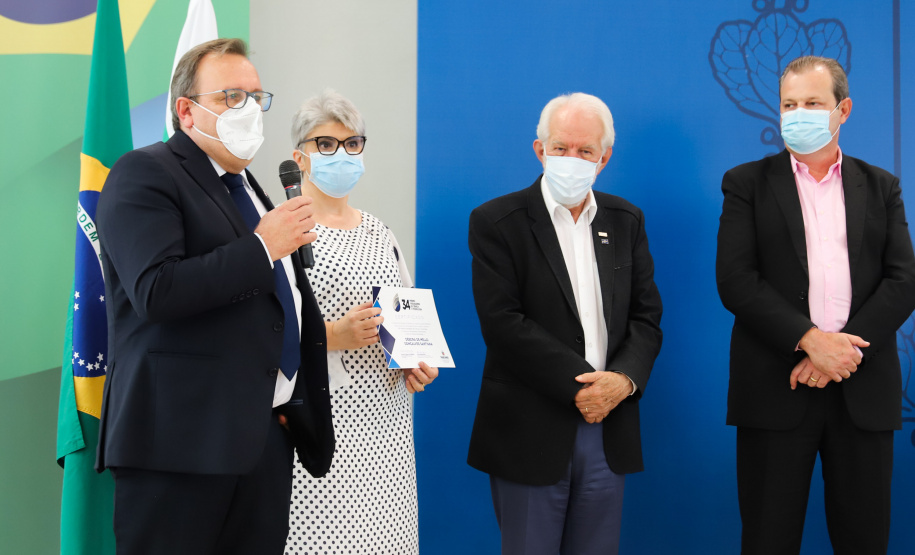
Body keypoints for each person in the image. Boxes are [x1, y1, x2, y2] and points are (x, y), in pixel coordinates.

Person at [95, 38, 334, 554]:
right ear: (186, 110)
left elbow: (278, 301)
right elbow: (157, 290)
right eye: (230, 97)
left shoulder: (248, 185)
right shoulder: (145, 172)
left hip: (261, 436)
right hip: (177, 444)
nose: (247, 109)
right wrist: (263, 246)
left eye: (255, 96)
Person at [716, 55, 915, 555]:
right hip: (775, 389)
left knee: (865, 540)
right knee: (767, 539)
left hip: (861, 389)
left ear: (842, 109)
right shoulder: (746, 184)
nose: (797, 113)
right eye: (789, 104)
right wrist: (810, 343)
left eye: (811, 103)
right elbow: (736, 281)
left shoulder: (882, 186)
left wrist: (842, 354)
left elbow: (903, 280)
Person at [467, 92, 663, 555]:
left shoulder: (626, 220)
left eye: (584, 151)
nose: (571, 159)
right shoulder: (497, 221)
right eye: (560, 148)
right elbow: (502, 323)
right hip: (530, 429)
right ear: (540, 150)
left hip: (608, 423)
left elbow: (647, 317)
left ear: (604, 157)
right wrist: (580, 387)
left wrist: (623, 381)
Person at [283, 89, 438, 554]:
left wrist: (417, 361)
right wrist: (333, 335)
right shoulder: (282, 231)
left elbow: (408, 316)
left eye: (352, 144)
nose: (341, 154)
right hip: (322, 425)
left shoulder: (379, 231)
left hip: (386, 427)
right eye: (326, 144)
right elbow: (263, 331)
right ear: (300, 158)